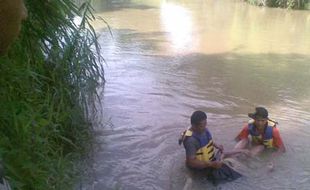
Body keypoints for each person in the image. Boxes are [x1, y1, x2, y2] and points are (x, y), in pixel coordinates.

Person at [179, 110, 247, 185]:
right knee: (222, 181)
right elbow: (191, 162)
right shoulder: (191, 141)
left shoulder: (202, 130)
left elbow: (206, 141)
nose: (205, 127)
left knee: (234, 174)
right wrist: (211, 164)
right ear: (194, 126)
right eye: (202, 125)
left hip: (210, 162)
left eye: (205, 123)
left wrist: (216, 145)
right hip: (200, 168)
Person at [234, 107, 286, 171]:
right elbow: (237, 139)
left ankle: (244, 162)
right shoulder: (248, 127)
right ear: (254, 119)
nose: (260, 123)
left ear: (266, 120)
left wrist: (272, 159)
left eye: (262, 120)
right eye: (258, 120)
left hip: (267, 148)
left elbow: (282, 149)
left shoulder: (273, 131)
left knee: (260, 147)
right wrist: (244, 148)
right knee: (244, 140)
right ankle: (234, 156)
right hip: (255, 145)